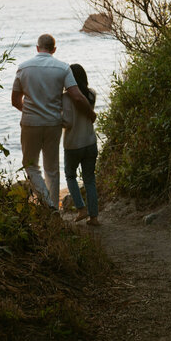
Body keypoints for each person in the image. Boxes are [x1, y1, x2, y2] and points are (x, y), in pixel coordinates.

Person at [11, 33, 95, 210]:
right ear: (54, 49)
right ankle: (54, 209)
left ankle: (48, 205)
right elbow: (77, 97)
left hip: (30, 123)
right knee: (52, 169)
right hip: (53, 124)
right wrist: (90, 113)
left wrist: (29, 111)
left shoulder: (23, 68)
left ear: (37, 48)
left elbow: (15, 100)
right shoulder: (63, 68)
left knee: (30, 165)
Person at [61, 63, 99, 225]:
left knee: (70, 176)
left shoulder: (65, 98)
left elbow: (68, 122)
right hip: (90, 141)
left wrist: (57, 121)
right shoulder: (91, 94)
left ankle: (81, 209)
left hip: (73, 144)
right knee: (90, 179)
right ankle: (94, 217)